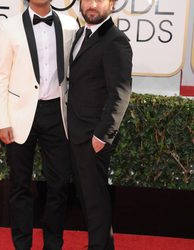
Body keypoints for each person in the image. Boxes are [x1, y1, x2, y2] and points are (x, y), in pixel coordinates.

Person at [0, 0, 78, 249]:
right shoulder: (10, 27)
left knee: (60, 184)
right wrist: (2, 120)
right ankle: (22, 245)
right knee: (20, 185)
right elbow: (0, 76)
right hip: (19, 115)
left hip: (57, 113)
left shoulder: (71, 25)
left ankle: (53, 244)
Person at [67, 0, 133, 249]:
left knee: (94, 202)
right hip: (76, 132)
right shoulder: (81, 33)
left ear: (112, 4)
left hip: (93, 136)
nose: (92, 5)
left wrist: (101, 136)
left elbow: (121, 93)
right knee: (89, 198)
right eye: (87, 0)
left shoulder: (115, 40)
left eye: (100, 0)